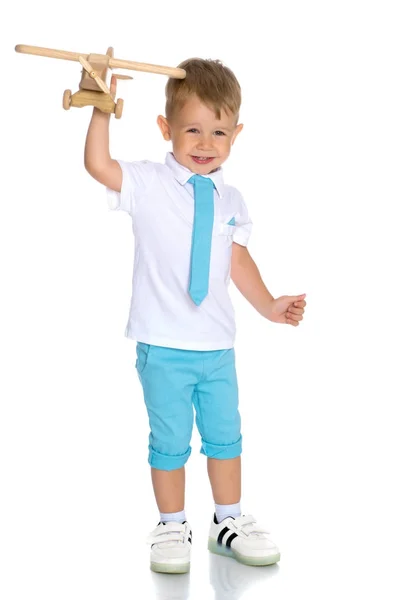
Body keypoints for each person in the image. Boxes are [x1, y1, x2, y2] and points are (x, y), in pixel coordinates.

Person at [84, 57, 306, 574]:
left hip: (217, 348)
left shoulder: (231, 198)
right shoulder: (146, 183)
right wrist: (99, 109)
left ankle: (227, 521)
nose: (206, 142)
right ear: (166, 128)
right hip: (163, 346)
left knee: (226, 437)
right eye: (192, 129)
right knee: (169, 442)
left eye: (219, 131)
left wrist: (269, 305)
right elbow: (99, 165)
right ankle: (171, 524)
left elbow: (236, 259)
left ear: (236, 134)